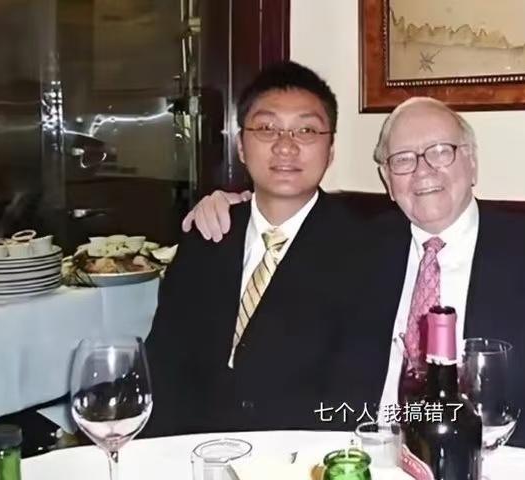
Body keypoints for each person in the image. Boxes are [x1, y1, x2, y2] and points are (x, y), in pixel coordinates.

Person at [182, 97, 525, 460]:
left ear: (472, 162)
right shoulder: (355, 246)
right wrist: (231, 204)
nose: (423, 171)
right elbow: (282, 215)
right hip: (365, 456)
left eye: (441, 151)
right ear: (387, 180)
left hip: (494, 460)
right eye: (403, 160)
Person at [143, 61, 365, 437]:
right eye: (266, 128)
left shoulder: (365, 249)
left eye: (306, 130)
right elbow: (163, 363)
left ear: (330, 151)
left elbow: (355, 388)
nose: (285, 146)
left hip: (301, 453)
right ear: (241, 147)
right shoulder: (207, 235)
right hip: (191, 449)